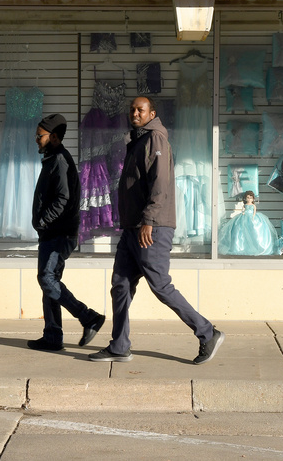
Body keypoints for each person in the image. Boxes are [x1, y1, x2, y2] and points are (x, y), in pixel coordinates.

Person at [89, 96, 224, 365]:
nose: (135, 113)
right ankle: (119, 346)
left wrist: (149, 219)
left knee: (160, 285)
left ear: (152, 113)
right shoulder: (139, 139)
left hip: (151, 228)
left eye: (140, 110)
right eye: (132, 109)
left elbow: (160, 183)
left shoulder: (155, 139)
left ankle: (208, 333)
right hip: (133, 228)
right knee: (121, 285)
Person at [28, 113, 106, 352]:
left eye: (39, 136)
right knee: (48, 281)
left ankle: (88, 316)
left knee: (47, 279)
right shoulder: (53, 158)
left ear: (52, 137)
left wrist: (43, 221)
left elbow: (64, 198)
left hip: (58, 232)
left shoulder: (60, 160)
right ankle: (52, 336)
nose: (36, 139)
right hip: (52, 233)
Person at [218, 190, 280, 256]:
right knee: (240, 230)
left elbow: (254, 212)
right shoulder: (245, 205)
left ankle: (256, 247)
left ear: (253, 198)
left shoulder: (253, 205)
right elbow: (243, 210)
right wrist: (243, 213)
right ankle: (240, 247)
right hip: (244, 216)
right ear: (245, 198)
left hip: (252, 217)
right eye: (248, 197)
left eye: (250, 198)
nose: (249, 199)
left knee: (254, 230)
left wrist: (253, 217)